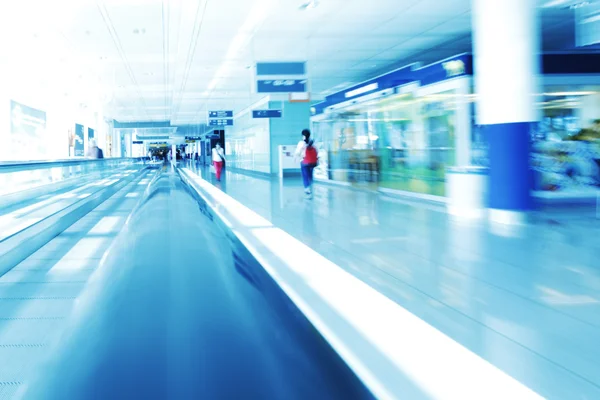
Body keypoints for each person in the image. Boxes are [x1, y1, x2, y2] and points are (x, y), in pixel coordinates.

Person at [294, 129, 319, 198]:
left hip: (304, 162)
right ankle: (311, 187)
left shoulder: (301, 143)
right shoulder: (313, 143)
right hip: (313, 162)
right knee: (310, 176)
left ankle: (308, 190)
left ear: (303, 136)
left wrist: (296, 158)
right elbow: (317, 151)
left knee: (305, 176)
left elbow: (298, 152)